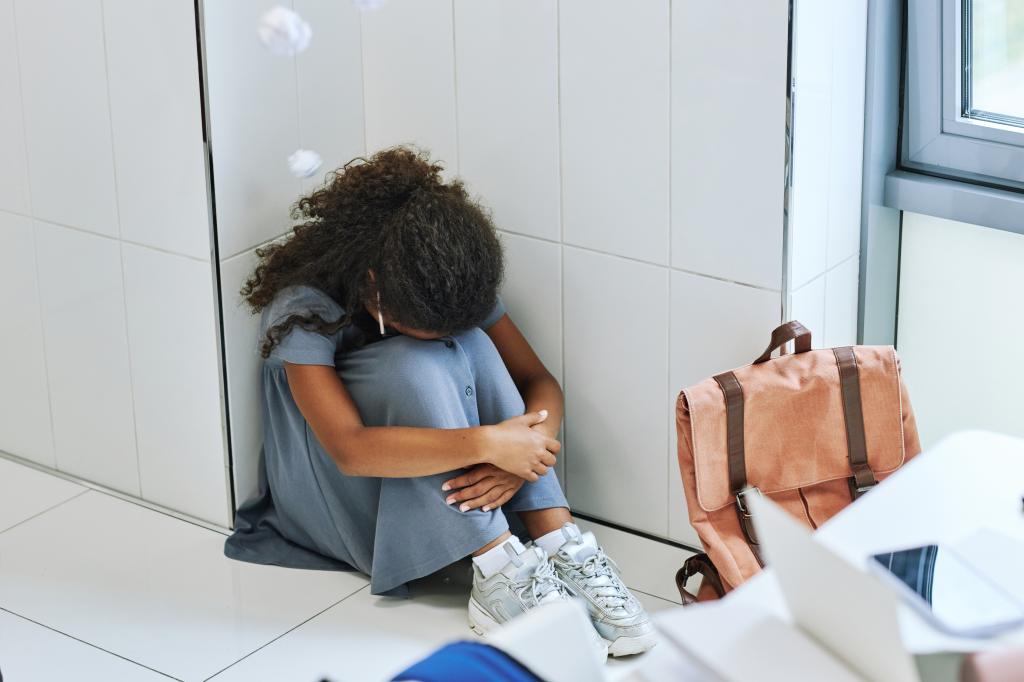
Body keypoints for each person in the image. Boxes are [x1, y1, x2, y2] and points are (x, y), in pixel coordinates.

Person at [224, 147, 655, 657]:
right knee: (417, 363)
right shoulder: (304, 307)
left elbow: (540, 382)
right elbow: (349, 450)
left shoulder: (442, 282)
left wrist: (523, 457)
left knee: (470, 341)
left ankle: (557, 540)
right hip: (336, 490)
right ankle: (498, 569)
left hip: (430, 465)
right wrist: (491, 443)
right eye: (425, 327)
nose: (445, 332)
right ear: (373, 289)